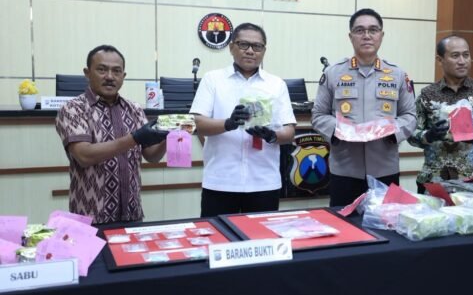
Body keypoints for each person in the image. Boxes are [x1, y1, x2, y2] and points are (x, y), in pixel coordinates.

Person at [312, 8, 417, 207]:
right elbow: (318, 115)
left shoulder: (397, 74)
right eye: (360, 30)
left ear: (381, 35)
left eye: (373, 30)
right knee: (344, 222)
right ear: (350, 36)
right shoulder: (333, 73)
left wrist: (391, 131)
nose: (367, 35)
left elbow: (410, 115)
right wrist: (341, 130)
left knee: (385, 221)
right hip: (344, 170)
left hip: (385, 169)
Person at [190, 22, 296, 216]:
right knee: (217, 234)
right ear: (231, 47)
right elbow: (197, 124)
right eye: (243, 44)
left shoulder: (276, 84)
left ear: (264, 51)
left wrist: (271, 135)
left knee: (260, 235)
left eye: (257, 46)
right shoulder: (212, 79)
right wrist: (228, 124)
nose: (250, 51)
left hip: (264, 182)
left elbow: (289, 132)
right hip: (221, 181)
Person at [55, 45, 168, 224]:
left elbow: (152, 156)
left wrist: (170, 135)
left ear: (123, 76)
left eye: (116, 71)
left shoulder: (134, 109)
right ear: (87, 73)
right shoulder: (73, 109)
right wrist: (135, 138)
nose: (109, 76)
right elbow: (84, 156)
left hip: (132, 215)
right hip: (90, 218)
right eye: (102, 69)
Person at [408, 35, 473, 192]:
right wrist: (428, 135)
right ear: (440, 60)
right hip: (434, 180)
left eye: (466, 55)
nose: (462, 61)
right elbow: (410, 132)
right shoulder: (427, 94)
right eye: (455, 56)